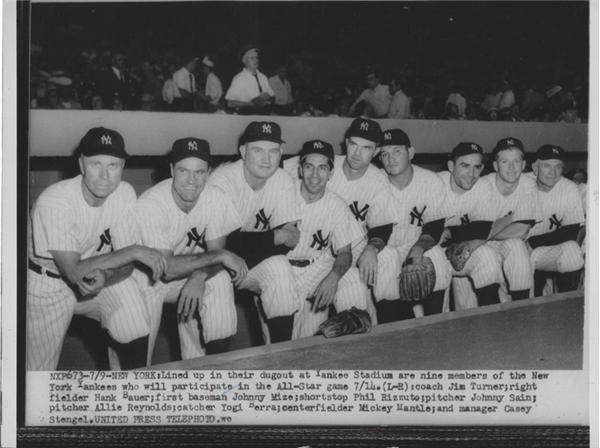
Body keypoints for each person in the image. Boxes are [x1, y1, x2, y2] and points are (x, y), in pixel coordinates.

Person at [27, 127, 167, 370]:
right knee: (39, 373)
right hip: (46, 283)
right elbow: (74, 272)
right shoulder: (55, 200)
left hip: (96, 270)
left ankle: (131, 398)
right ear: (81, 165)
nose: (105, 175)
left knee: (133, 324)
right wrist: (134, 250)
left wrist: (107, 275)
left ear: (122, 167)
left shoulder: (124, 193)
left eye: (113, 165)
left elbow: (125, 265)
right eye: (95, 164)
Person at [133, 138, 248, 360]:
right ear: (171, 170)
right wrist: (220, 256)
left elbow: (216, 254)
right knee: (137, 347)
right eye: (184, 171)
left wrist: (199, 276)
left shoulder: (215, 197)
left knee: (219, 280)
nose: (191, 180)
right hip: (147, 279)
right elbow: (167, 269)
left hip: (190, 270)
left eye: (199, 172)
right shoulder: (151, 203)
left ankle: (213, 367)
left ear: (208, 172)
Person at [285, 118, 395, 320]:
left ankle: (384, 320)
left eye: (366, 147)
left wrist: (372, 248)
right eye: (353, 144)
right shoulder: (324, 162)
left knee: (380, 264)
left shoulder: (378, 181)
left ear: (376, 151)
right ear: (346, 142)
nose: (357, 153)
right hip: (317, 247)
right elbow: (272, 168)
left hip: (353, 243)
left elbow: (383, 226)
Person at [208, 121, 301, 343]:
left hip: (249, 262)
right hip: (208, 264)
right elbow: (223, 247)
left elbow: (292, 239)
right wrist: (274, 237)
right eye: (257, 150)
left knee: (280, 269)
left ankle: (281, 354)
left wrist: (250, 243)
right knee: (199, 345)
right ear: (243, 151)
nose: (266, 159)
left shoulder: (282, 179)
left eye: (273, 151)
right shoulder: (221, 181)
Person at [288, 140, 369, 338]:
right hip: (282, 272)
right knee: (283, 345)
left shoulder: (337, 205)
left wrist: (333, 277)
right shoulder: (283, 193)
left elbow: (345, 253)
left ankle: (357, 346)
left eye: (322, 168)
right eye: (309, 167)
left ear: (331, 173)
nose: (315, 175)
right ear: (300, 170)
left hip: (314, 269)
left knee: (351, 279)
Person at [374, 129, 452, 322]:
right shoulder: (374, 182)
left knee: (437, 257)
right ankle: (390, 330)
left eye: (397, 151)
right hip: (384, 247)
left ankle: (437, 324)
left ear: (411, 153)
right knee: (387, 259)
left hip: (419, 242)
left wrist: (418, 248)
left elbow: (434, 227)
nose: (390, 158)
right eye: (385, 153)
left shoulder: (431, 181)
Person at [438, 142, 504, 309]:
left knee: (487, 256)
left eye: (477, 167)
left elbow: (481, 230)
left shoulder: (482, 186)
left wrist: (449, 232)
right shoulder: (436, 184)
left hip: (461, 246)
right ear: (451, 166)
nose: (472, 174)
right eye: (465, 166)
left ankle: (492, 318)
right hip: (432, 249)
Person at [482, 137, 539, 301]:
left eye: (516, 161)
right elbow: (475, 230)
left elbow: (521, 230)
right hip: (480, 248)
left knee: (516, 246)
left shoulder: (528, 184)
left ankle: (522, 307)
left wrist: (486, 233)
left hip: (499, 241)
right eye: (505, 162)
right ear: (495, 165)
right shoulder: (483, 185)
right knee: (468, 307)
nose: (511, 167)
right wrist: (509, 220)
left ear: (523, 165)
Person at [527, 145, 585, 295]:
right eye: (547, 166)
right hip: (515, 249)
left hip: (541, 249)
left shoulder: (569, 188)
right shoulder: (522, 184)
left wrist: (532, 242)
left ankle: (565, 302)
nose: (552, 172)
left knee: (572, 251)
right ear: (535, 167)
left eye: (558, 167)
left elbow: (570, 232)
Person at [225, 46, 274, 115]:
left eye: (256, 57)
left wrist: (266, 98)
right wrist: (252, 104)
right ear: (244, 61)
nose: (256, 60)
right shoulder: (239, 78)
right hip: (247, 115)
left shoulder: (263, 77)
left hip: (264, 114)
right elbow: (230, 103)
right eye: (252, 58)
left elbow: (271, 95)